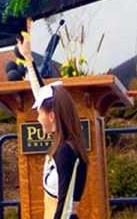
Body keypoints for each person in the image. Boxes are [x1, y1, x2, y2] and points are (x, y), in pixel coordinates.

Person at [17, 36, 88, 218]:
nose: (38, 119)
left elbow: (65, 204)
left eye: (40, 114)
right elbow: (41, 94)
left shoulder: (66, 151)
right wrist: (28, 58)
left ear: (52, 116)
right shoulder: (65, 144)